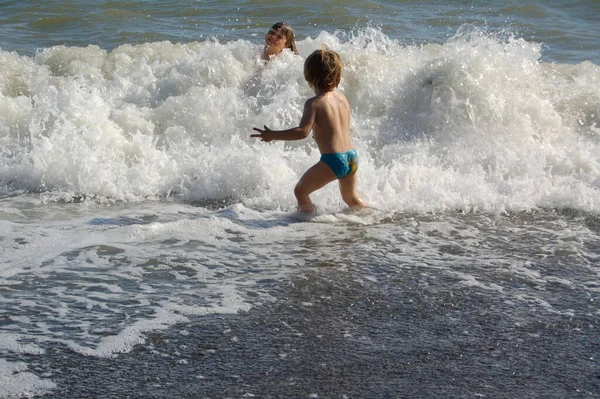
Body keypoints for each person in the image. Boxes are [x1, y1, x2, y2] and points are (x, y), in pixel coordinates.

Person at [251, 48, 367, 213]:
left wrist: (272, 135)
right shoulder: (342, 98)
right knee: (351, 198)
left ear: (308, 76)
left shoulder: (314, 103)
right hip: (352, 157)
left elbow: (302, 132)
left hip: (334, 160)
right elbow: (339, 127)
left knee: (300, 191)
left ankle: (308, 223)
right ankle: (374, 220)